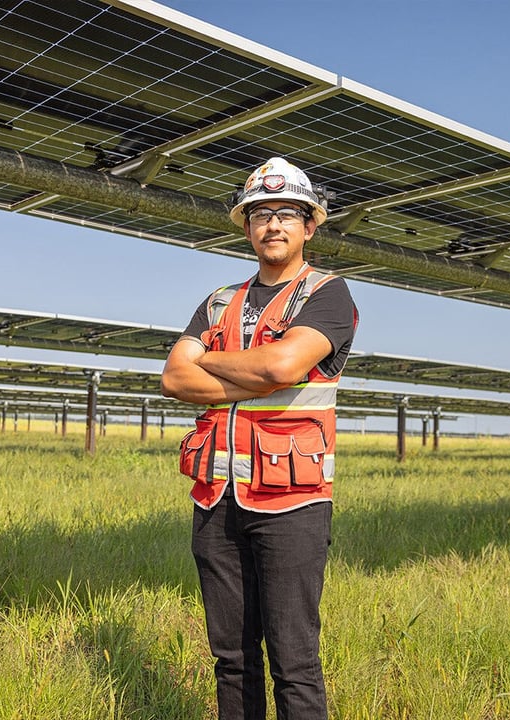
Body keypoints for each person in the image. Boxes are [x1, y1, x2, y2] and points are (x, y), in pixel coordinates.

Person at [161, 157, 358, 720]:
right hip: (216, 500)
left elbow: (282, 365)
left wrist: (218, 365)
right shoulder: (219, 300)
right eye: (260, 214)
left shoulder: (328, 294)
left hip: (292, 504)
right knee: (231, 658)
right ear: (246, 226)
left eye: (286, 214)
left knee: (294, 662)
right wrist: (255, 370)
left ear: (309, 225)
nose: (273, 224)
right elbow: (175, 377)